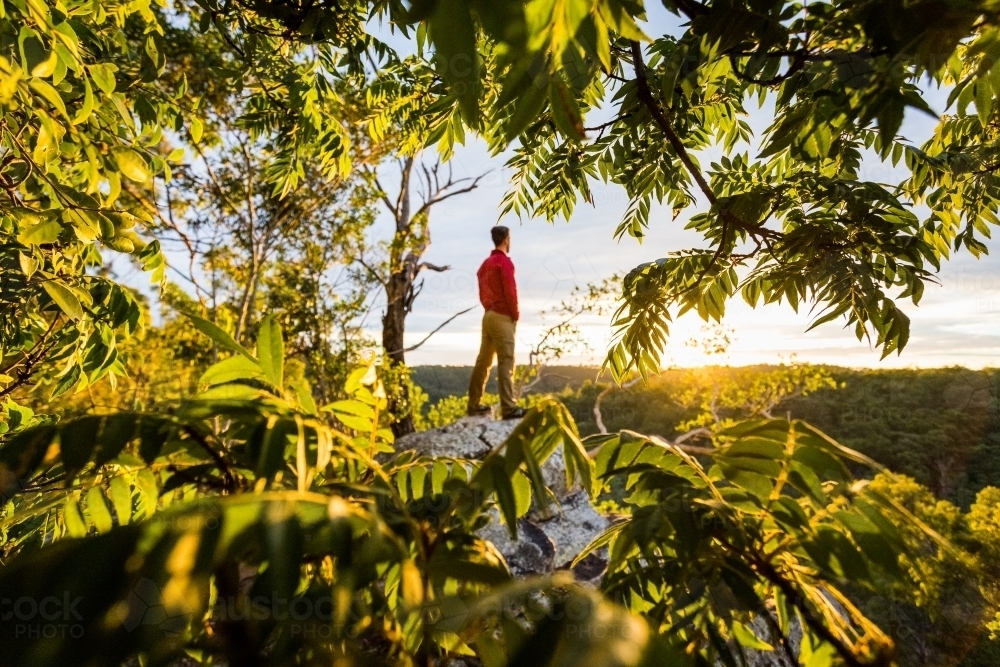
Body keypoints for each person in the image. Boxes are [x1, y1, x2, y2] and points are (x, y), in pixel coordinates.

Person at [467, 226, 526, 419]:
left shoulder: (485, 265)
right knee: (506, 359)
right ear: (507, 239)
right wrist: (515, 314)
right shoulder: (504, 263)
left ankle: (474, 404)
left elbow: (482, 287)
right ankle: (509, 407)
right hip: (502, 315)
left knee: (483, 361)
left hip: (488, 315)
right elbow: (510, 291)